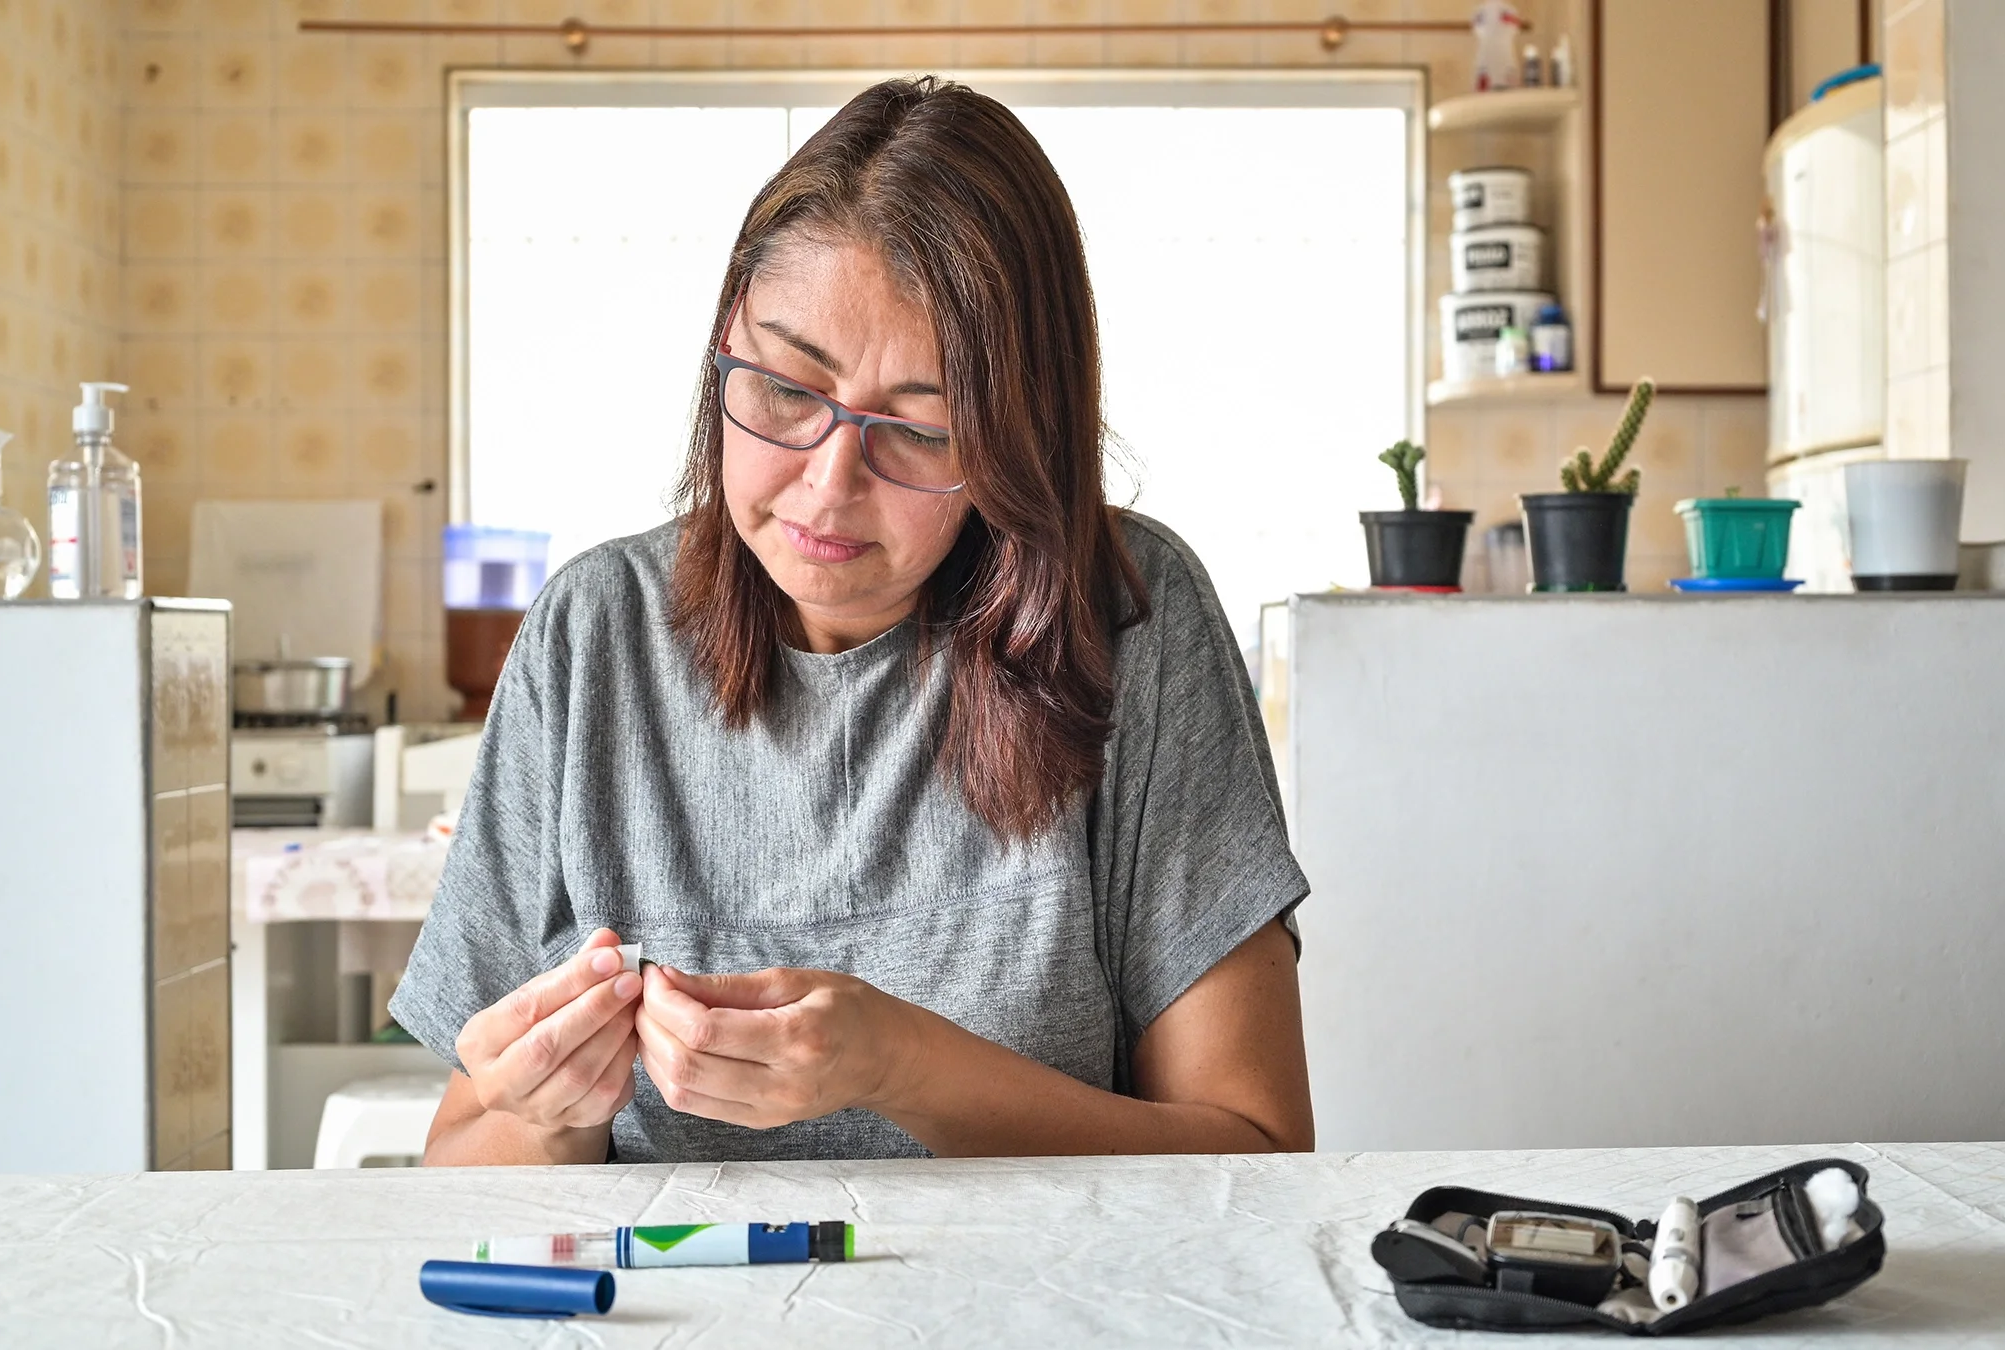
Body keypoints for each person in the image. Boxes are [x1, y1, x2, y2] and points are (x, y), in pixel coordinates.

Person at [390, 76, 1313, 1165]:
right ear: (723, 348)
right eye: (784, 389)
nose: (830, 487)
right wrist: (553, 1114)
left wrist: (899, 1066)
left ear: (1020, 441)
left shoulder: (1128, 616)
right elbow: (455, 1166)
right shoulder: (594, 635)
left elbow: (1254, 1158)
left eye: (921, 431)